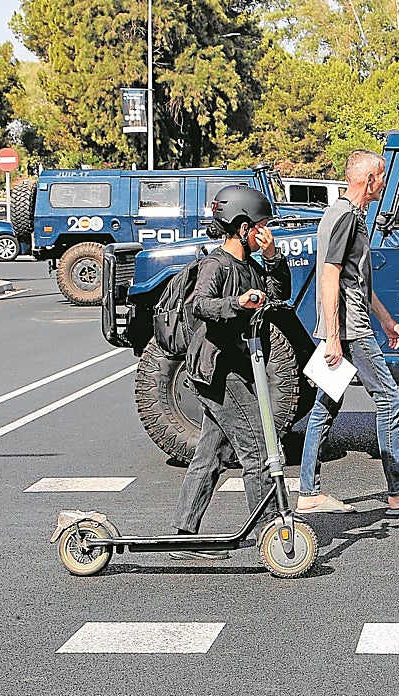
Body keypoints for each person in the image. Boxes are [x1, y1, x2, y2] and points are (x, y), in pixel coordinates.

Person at [297, 149, 399, 516]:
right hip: (349, 329)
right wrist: (334, 335)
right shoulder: (346, 217)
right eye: (380, 175)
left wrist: (385, 317)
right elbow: (330, 275)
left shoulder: (342, 214)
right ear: (368, 180)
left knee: (324, 407)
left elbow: (354, 278)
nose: (384, 181)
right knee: (389, 398)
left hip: (347, 324)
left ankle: (309, 492)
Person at [169, 185, 290, 560]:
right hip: (220, 372)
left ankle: (184, 535)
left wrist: (272, 259)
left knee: (210, 455)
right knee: (258, 449)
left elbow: (277, 293)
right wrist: (236, 303)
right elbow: (200, 304)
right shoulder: (216, 264)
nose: (264, 232)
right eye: (260, 226)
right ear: (241, 226)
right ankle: (272, 533)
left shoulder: (249, 265)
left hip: (232, 368)